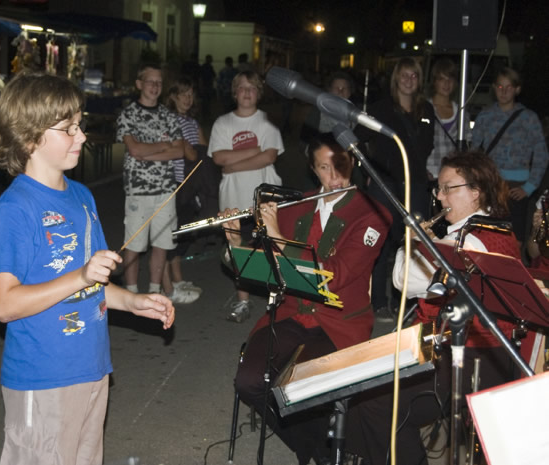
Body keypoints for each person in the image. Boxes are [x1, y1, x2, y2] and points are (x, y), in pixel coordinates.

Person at [0, 72, 175, 465]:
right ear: (29, 138)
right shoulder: (15, 208)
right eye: (68, 128)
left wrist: (134, 302)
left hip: (92, 367)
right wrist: (81, 276)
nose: (82, 136)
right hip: (43, 378)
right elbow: (4, 305)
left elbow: (93, 284)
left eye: (80, 125)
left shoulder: (82, 195)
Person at [346, 152, 537, 465]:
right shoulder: (481, 231)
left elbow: (405, 281)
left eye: (449, 188)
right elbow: (405, 280)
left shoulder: (473, 240)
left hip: (469, 355)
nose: (439, 196)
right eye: (439, 188)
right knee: (360, 386)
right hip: (452, 346)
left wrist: (418, 242)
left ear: (476, 192)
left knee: (373, 403)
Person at [223, 134, 390, 464]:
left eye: (340, 165)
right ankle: (319, 447)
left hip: (339, 322)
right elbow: (259, 267)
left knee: (301, 387)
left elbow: (334, 274)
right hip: (290, 314)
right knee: (249, 382)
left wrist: (278, 238)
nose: (334, 177)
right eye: (324, 168)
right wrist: (234, 239)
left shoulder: (372, 215)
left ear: (353, 162)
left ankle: (324, 451)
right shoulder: (296, 205)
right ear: (314, 170)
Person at [357, 57, 435, 319]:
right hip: (385, 184)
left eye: (414, 75)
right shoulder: (380, 108)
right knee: (380, 243)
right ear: (395, 79)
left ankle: (406, 303)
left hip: (416, 186)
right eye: (404, 75)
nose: (409, 80)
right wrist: (367, 173)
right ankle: (379, 301)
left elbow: (427, 147)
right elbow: (357, 141)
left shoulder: (426, 110)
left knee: (414, 246)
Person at [208, 70, 285, 322]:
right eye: (242, 87)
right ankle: (243, 300)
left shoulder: (268, 121)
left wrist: (233, 164)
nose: (247, 92)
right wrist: (255, 150)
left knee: (269, 246)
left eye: (252, 87)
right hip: (233, 196)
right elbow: (219, 158)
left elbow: (269, 157)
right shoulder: (222, 123)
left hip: (263, 197)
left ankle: (276, 296)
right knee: (237, 249)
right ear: (234, 92)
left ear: (259, 93)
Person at [116, 63, 184, 296]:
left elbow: (179, 151)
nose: (155, 86)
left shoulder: (168, 115)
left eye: (159, 82)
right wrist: (164, 146)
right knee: (134, 244)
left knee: (162, 243)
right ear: (139, 84)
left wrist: (149, 150)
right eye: (150, 81)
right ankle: (131, 293)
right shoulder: (128, 114)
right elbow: (134, 150)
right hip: (138, 190)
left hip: (166, 190)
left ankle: (155, 292)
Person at [471, 67, 549, 243]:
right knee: (488, 235)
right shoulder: (485, 115)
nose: (504, 92)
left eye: (509, 87)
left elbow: (541, 154)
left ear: (517, 89)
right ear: (494, 88)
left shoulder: (529, 118)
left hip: (516, 188)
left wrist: (529, 187)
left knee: (515, 237)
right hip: (491, 184)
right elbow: (474, 152)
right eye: (500, 87)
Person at [161, 77, 207, 304]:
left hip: (191, 185)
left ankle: (178, 279)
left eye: (191, 95)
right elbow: (179, 150)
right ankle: (167, 283)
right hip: (172, 183)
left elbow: (201, 153)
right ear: (173, 97)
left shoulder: (193, 123)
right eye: (183, 94)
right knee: (169, 234)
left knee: (184, 232)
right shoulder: (166, 119)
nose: (188, 99)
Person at [426, 58, 471, 180]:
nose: (446, 84)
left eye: (450, 79)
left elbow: (467, 146)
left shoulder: (462, 113)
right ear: (434, 81)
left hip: (452, 176)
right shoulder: (423, 110)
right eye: (441, 79)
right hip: (428, 174)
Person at [198, 54, 216, 122]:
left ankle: (205, 116)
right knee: (207, 102)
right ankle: (206, 116)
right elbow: (213, 75)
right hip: (207, 86)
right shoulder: (208, 67)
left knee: (206, 102)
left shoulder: (204, 66)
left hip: (206, 86)